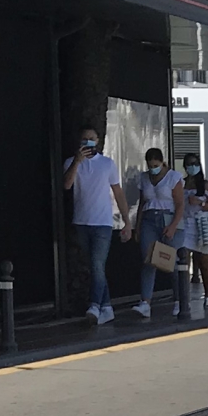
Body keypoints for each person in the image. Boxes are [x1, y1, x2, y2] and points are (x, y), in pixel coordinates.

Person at [63, 128, 128, 325]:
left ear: (98, 141)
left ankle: (95, 306)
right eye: (85, 139)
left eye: (92, 139)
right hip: (82, 221)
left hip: (103, 223)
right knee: (94, 266)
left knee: (97, 264)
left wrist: (127, 221)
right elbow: (66, 185)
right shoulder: (71, 162)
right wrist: (77, 161)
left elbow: (118, 192)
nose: (88, 142)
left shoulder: (107, 164)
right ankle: (107, 306)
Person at [125, 147, 183, 321]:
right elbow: (142, 202)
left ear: (162, 162)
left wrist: (173, 226)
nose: (153, 169)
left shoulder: (173, 177)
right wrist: (138, 225)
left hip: (168, 217)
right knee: (148, 259)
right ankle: (145, 303)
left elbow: (180, 204)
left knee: (171, 260)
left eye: (156, 165)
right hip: (149, 218)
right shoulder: (144, 178)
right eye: (150, 166)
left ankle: (179, 299)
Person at [177, 161, 208, 318]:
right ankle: (184, 298)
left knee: (204, 262)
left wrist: (201, 202)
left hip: (202, 226)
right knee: (184, 260)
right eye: (189, 164)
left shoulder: (205, 184)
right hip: (185, 225)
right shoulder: (181, 183)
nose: (191, 167)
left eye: (194, 163)